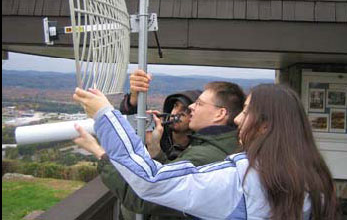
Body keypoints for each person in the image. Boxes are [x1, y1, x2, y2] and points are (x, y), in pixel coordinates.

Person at [73, 83, 337, 220]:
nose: (238, 120)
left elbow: (150, 183)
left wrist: (105, 115)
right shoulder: (313, 179)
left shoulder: (239, 179)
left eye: (246, 112)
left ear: (265, 125)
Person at [98, 73, 245, 219]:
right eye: (175, 106)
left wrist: (102, 154)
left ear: (220, 114)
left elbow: (148, 193)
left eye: (197, 105)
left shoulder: (202, 155)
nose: (178, 112)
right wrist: (134, 101)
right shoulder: (170, 137)